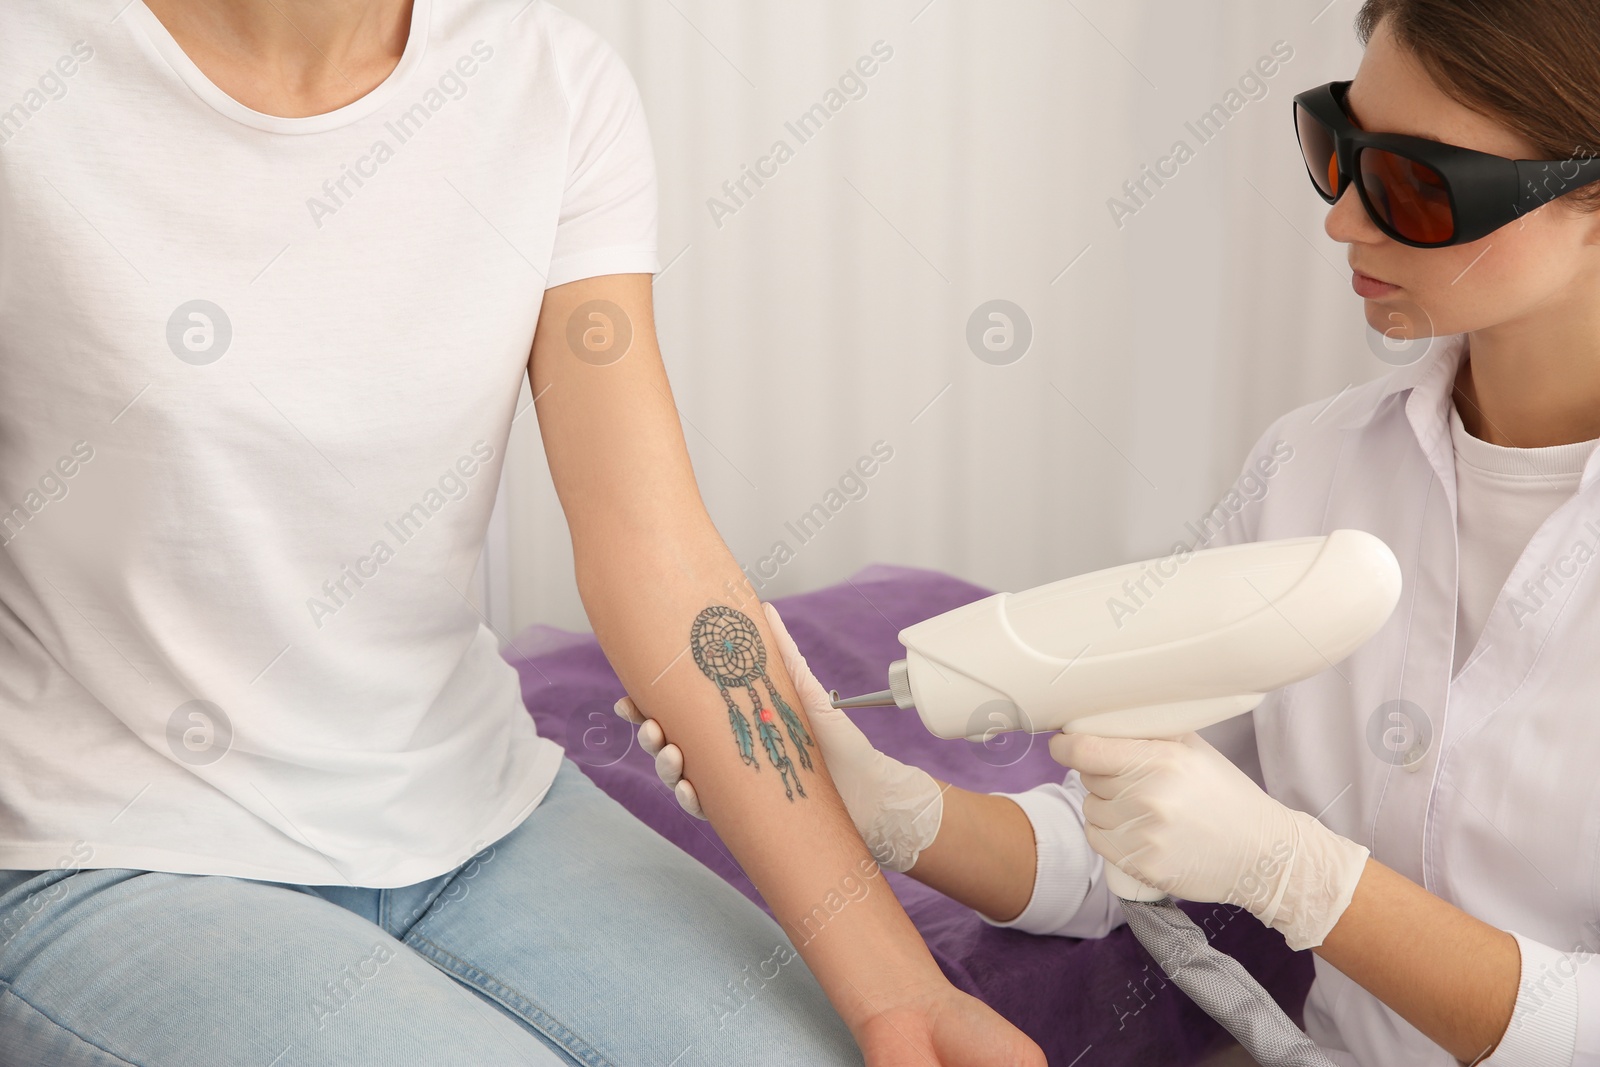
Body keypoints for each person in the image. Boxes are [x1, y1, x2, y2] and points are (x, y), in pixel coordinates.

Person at [0, 2, 1046, 1065]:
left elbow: (655, 549)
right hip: (117, 850)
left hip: (483, 815)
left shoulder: (548, 86)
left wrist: (898, 988)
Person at [627, 1, 1600, 1063]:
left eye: (1417, 186)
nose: (1342, 221)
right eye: (1337, 145)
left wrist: (1304, 877)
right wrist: (895, 812)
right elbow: (1129, 844)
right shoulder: (1314, 469)